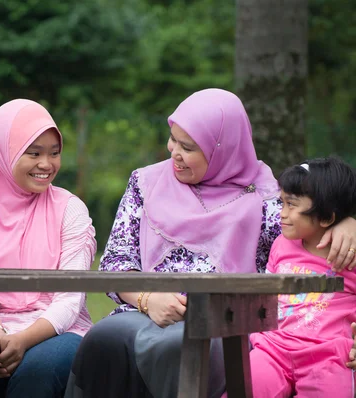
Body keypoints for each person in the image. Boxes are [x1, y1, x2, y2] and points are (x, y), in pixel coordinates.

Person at [64, 88, 356, 398]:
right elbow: (116, 261)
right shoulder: (145, 183)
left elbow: (311, 223)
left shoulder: (266, 197)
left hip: (225, 323)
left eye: (187, 147)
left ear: (223, 148)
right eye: (172, 139)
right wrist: (148, 299)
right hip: (142, 310)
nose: (173, 152)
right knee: (105, 337)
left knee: (178, 346)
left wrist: (348, 222)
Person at [0, 99, 97, 398]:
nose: (46, 164)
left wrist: (22, 340)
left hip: (59, 329)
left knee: (36, 372)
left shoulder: (70, 210)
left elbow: (70, 298)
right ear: (3, 153)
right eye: (33, 153)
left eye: (54, 153)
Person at [239, 158, 356, 397]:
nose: (281, 214)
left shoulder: (350, 255)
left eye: (291, 204)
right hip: (272, 349)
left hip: (329, 356)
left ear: (326, 217)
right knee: (245, 388)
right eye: (282, 202)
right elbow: (266, 295)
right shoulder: (282, 244)